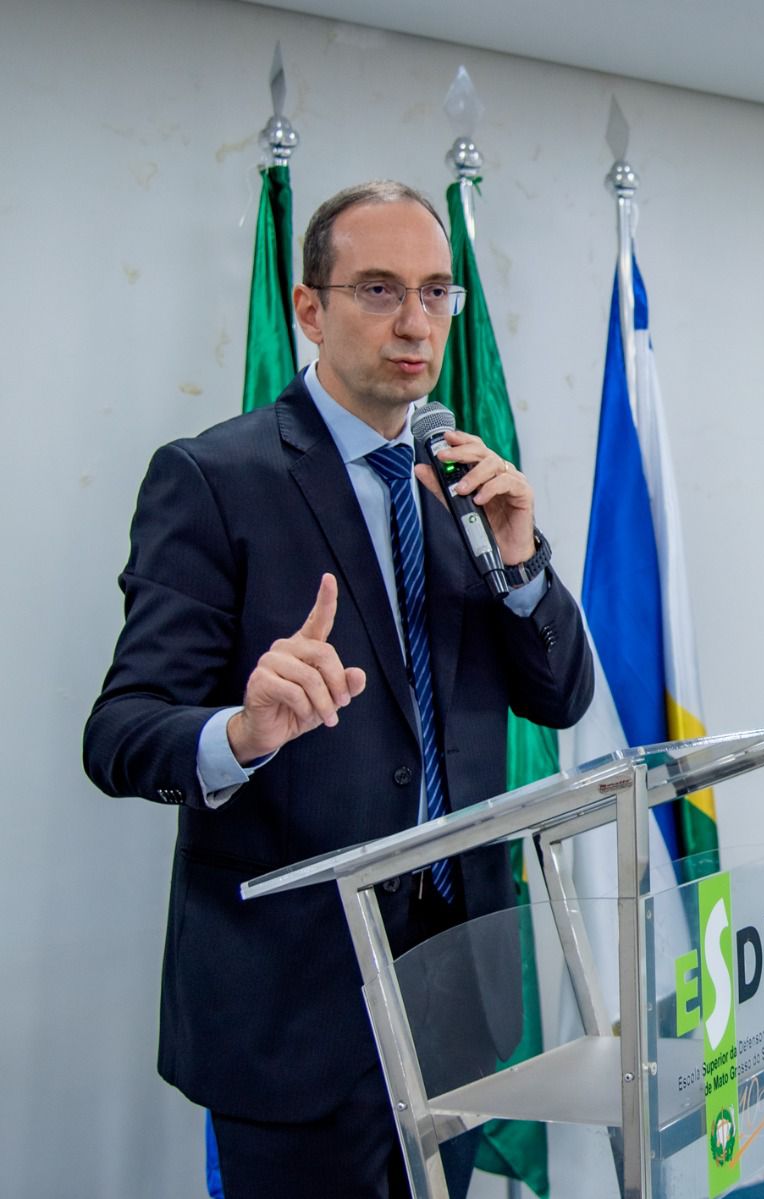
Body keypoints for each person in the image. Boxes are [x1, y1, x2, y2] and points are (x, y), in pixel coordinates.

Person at [83, 180, 594, 1197]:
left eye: (436, 291)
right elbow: (120, 732)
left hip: (455, 978)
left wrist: (521, 560)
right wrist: (242, 730)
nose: (416, 322)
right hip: (295, 997)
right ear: (309, 309)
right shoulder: (213, 477)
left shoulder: (461, 484)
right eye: (380, 289)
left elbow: (561, 698)